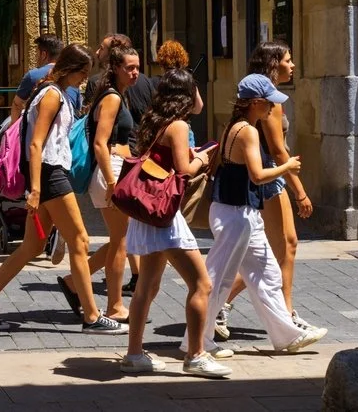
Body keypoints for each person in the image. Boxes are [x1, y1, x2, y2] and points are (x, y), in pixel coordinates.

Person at [0, 44, 125, 336]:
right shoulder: (52, 95)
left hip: (50, 173)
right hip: (50, 175)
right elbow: (36, 144)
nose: (84, 79)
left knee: (32, 247)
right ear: (70, 69)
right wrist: (36, 189)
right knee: (80, 240)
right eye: (82, 73)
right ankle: (91, 316)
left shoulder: (55, 93)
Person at [191, 73, 326, 357]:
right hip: (235, 214)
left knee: (267, 273)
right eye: (268, 104)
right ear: (255, 103)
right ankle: (197, 342)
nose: (272, 109)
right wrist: (286, 166)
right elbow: (258, 174)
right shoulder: (248, 131)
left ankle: (286, 336)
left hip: (241, 213)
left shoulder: (232, 126)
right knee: (218, 278)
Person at [121, 68, 231, 379]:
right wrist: (203, 158)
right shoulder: (179, 125)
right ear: (185, 95)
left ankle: (134, 354)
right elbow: (184, 170)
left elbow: (165, 160)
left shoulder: (155, 122)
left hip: (149, 214)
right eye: (195, 90)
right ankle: (195, 355)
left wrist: (189, 154)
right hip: (165, 218)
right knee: (201, 284)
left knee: (147, 286)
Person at [215, 41, 320, 340]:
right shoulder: (268, 103)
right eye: (288, 60)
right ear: (274, 64)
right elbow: (278, 150)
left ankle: (224, 304)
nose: (293, 65)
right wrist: (300, 191)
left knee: (277, 248)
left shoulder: (268, 99)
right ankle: (286, 314)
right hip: (270, 180)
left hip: (267, 179)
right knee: (284, 246)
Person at [59, 43, 140, 322]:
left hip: (116, 171)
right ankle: (115, 305)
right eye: (129, 68)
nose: (135, 72)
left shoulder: (118, 96)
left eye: (137, 67)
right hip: (111, 173)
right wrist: (111, 179)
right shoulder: (113, 98)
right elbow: (100, 143)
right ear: (116, 68)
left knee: (122, 240)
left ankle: (73, 282)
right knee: (120, 242)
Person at [9, 34, 81, 124]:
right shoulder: (72, 77)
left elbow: (17, 105)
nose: (36, 57)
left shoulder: (32, 75)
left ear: (43, 54)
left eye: (36, 53)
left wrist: (12, 130)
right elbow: (77, 109)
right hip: (71, 128)